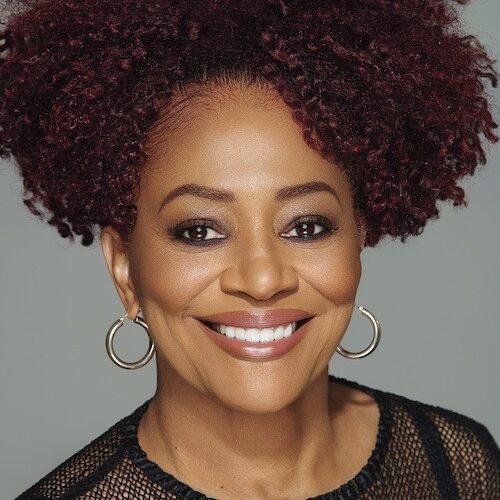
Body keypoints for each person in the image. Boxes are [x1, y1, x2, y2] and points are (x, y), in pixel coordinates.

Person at [2, 0, 499, 498]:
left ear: (359, 236)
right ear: (124, 269)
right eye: (200, 231)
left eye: (307, 226)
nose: (262, 280)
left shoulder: (457, 464)